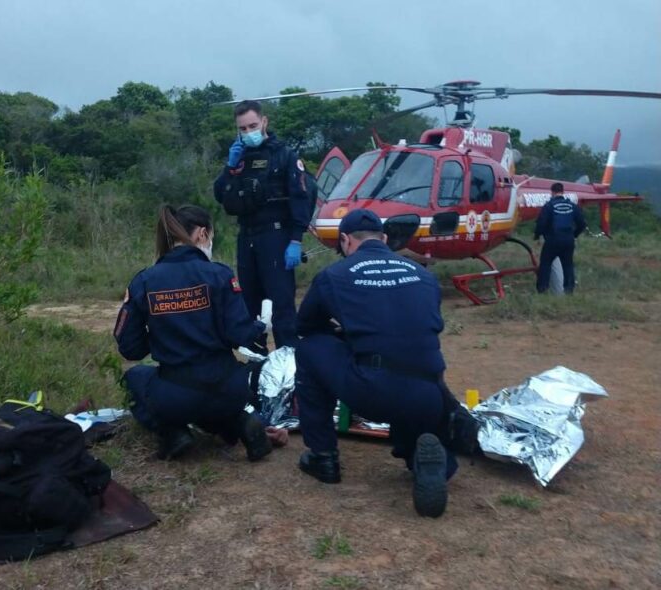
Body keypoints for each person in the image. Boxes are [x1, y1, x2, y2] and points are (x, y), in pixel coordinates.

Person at [293, 209, 457, 518]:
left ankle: (323, 457)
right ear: (383, 239)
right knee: (407, 365)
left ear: (345, 241)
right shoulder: (424, 274)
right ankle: (425, 457)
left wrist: (346, 335)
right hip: (430, 393)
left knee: (309, 348)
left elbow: (306, 327)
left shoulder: (334, 276)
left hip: (372, 392)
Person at [113, 204, 273, 461]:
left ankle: (173, 432)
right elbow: (240, 335)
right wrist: (261, 325)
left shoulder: (145, 280)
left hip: (176, 394)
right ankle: (241, 422)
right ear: (201, 233)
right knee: (213, 402)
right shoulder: (220, 274)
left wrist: (159, 334)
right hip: (229, 390)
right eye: (211, 235)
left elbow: (130, 348)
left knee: (136, 378)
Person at [213, 100, 310, 351]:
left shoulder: (284, 155)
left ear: (264, 121)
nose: (248, 132)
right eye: (242, 128)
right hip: (246, 237)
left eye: (252, 126)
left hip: (276, 236)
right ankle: (257, 363)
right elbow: (220, 194)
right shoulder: (239, 156)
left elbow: (301, 198)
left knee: (282, 304)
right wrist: (229, 167)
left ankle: (289, 364)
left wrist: (296, 240)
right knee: (248, 303)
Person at [534, 182, 587, 294]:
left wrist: (537, 235)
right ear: (563, 192)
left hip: (552, 240)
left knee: (545, 264)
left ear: (552, 192)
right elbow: (582, 224)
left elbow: (541, 223)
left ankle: (542, 289)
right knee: (568, 265)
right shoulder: (572, 206)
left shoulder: (549, 206)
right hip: (568, 241)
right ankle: (569, 290)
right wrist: (574, 234)